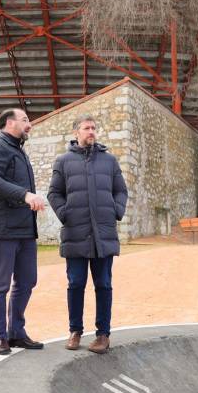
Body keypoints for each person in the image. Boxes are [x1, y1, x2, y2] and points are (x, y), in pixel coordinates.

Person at [47, 114, 128, 354]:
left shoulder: (110, 161)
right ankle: (75, 331)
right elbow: (54, 193)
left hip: (103, 233)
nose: (91, 131)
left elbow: (121, 191)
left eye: (93, 128)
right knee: (75, 284)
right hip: (75, 232)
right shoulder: (63, 161)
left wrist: (116, 210)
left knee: (103, 284)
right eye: (86, 128)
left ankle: (103, 335)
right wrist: (65, 213)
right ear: (76, 133)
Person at [0, 108, 47, 355]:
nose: (30, 124)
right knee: (0, 286)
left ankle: (16, 332)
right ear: (9, 123)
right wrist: (26, 195)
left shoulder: (19, 151)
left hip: (25, 230)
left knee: (27, 281)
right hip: (1, 228)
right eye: (25, 120)